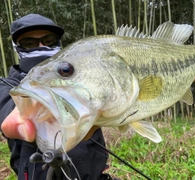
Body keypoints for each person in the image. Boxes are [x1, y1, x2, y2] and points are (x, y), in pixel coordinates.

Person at [0, 14, 113, 180]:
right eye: (29, 43)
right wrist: (28, 109)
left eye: (49, 41)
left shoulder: (87, 75)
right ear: (17, 47)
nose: (40, 47)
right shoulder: (7, 85)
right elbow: (8, 108)